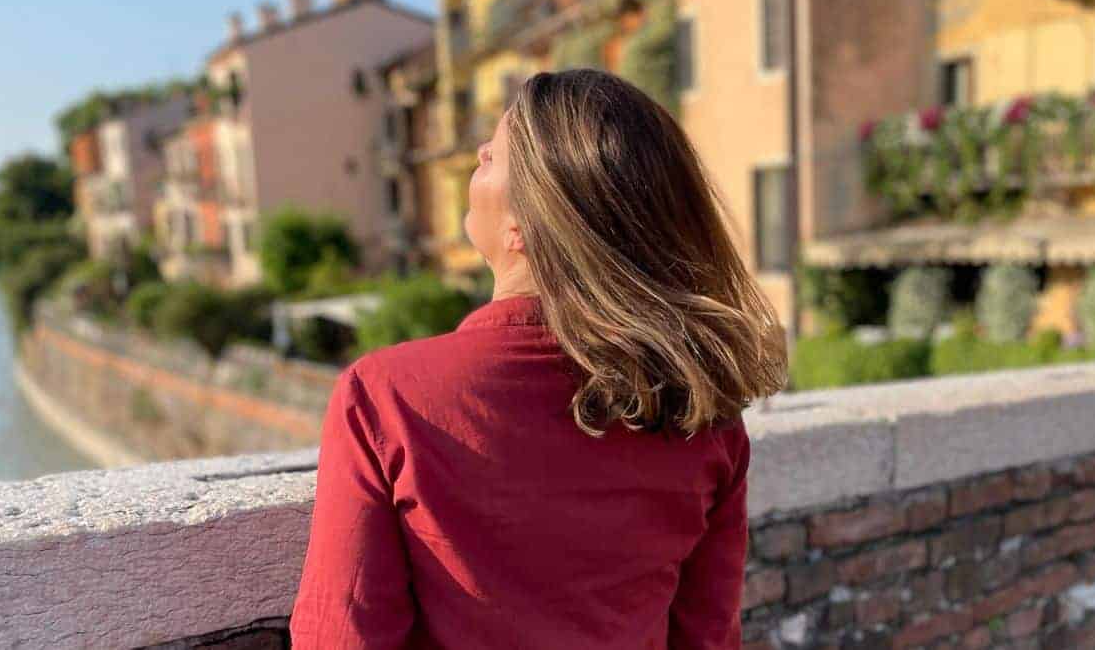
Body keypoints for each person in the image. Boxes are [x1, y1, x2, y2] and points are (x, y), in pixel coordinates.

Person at [289, 69, 788, 649]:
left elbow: (340, 638)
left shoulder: (386, 397)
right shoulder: (703, 410)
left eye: (496, 156)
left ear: (524, 227)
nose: (479, 151)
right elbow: (708, 639)